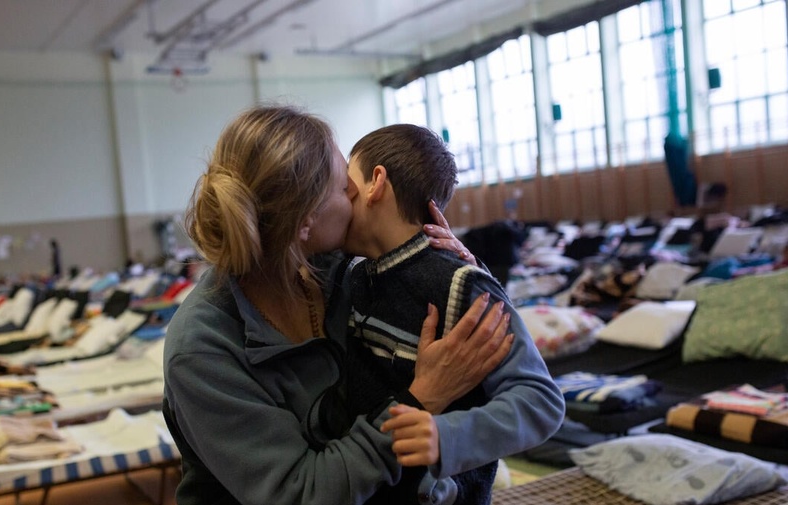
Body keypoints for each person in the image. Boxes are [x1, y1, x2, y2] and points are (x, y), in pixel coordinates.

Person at [162, 105, 514, 505]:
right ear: (305, 222)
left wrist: (455, 269)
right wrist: (420, 401)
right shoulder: (202, 348)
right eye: (344, 186)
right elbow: (301, 493)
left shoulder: (341, 270)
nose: (355, 193)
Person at [342, 124, 565, 505]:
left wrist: (446, 436)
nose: (336, 200)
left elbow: (540, 401)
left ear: (375, 183)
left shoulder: (461, 285)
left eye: (344, 187)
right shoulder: (357, 276)